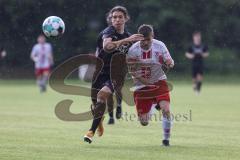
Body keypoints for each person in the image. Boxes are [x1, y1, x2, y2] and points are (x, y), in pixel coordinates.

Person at [84, 6, 144, 143]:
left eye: (120, 17)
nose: (116, 20)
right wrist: (126, 41)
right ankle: (99, 121)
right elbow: (107, 46)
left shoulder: (129, 37)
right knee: (96, 105)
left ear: (126, 19)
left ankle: (90, 132)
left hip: (115, 74)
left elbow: (133, 56)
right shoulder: (108, 32)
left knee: (102, 95)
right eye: (114, 17)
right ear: (110, 19)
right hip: (100, 72)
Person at [127, 24, 174, 146]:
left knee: (166, 109)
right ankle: (154, 105)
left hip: (159, 81)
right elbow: (132, 71)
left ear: (152, 37)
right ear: (139, 38)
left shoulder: (160, 45)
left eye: (148, 39)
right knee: (144, 122)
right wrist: (144, 81)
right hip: (141, 85)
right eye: (143, 40)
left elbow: (170, 61)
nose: (146, 42)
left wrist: (169, 64)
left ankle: (166, 139)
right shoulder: (133, 50)